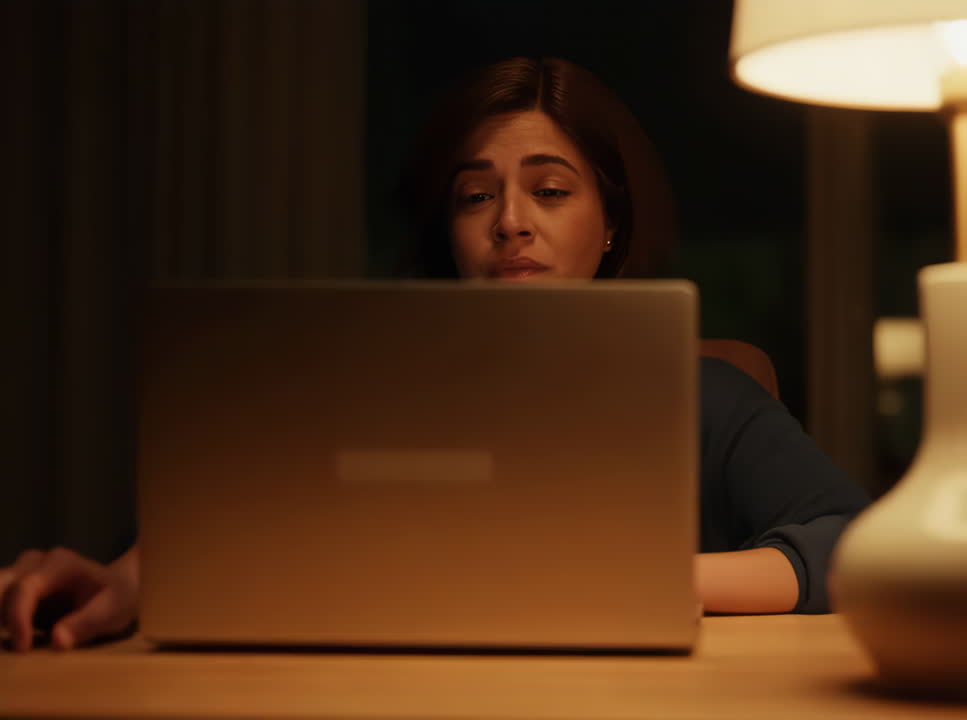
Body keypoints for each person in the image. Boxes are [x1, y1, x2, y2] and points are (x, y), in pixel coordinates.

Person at [0, 57, 869, 652]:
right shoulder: (361, 393)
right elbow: (227, 538)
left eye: (551, 190)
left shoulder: (707, 395)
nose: (510, 222)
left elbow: (857, 547)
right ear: (446, 229)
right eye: (475, 196)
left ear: (610, 226)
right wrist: (118, 581)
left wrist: (652, 577)